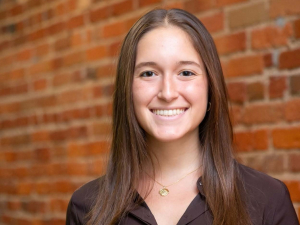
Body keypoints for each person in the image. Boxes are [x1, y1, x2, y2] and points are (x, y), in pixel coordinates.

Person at [66, 8, 299, 225]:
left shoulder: (268, 200)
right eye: (149, 73)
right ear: (127, 89)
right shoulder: (86, 206)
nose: (167, 93)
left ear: (210, 87)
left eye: (186, 72)